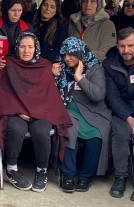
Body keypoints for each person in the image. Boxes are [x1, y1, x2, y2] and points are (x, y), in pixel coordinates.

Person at [0, 32, 72, 192]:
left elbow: (48, 94)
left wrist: (36, 110)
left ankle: (42, 171)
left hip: (40, 111)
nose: (26, 50)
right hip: (15, 111)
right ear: (17, 48)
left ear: (36, 48)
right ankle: (11, 169)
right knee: (16, 128)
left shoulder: (45, 66)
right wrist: (18, 111)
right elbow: (3, 92)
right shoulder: (9, 64)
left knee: (42, 130)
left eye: (30, 47)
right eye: (22, 46)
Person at [53, 37, 111, 193]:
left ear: (81, 53)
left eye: (72, 54)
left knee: (96, 135)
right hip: (69, 108)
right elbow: (49, 91)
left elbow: (98, 95)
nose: (68, 58)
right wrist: (52, 75)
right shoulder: (60, 68)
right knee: (70, 130)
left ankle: (86, 177)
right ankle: (68, 174)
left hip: (94, 111)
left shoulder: (95, 68)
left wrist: (79, 78)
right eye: (65, 54)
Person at [104, 27, 134, 201]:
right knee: (120, 134)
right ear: (117, 46)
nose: (126, 50)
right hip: (121, 111)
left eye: (131, 45)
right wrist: (128, 117)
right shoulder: (109, 64)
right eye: (122, 46)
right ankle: (120, 177)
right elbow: (112, 96)